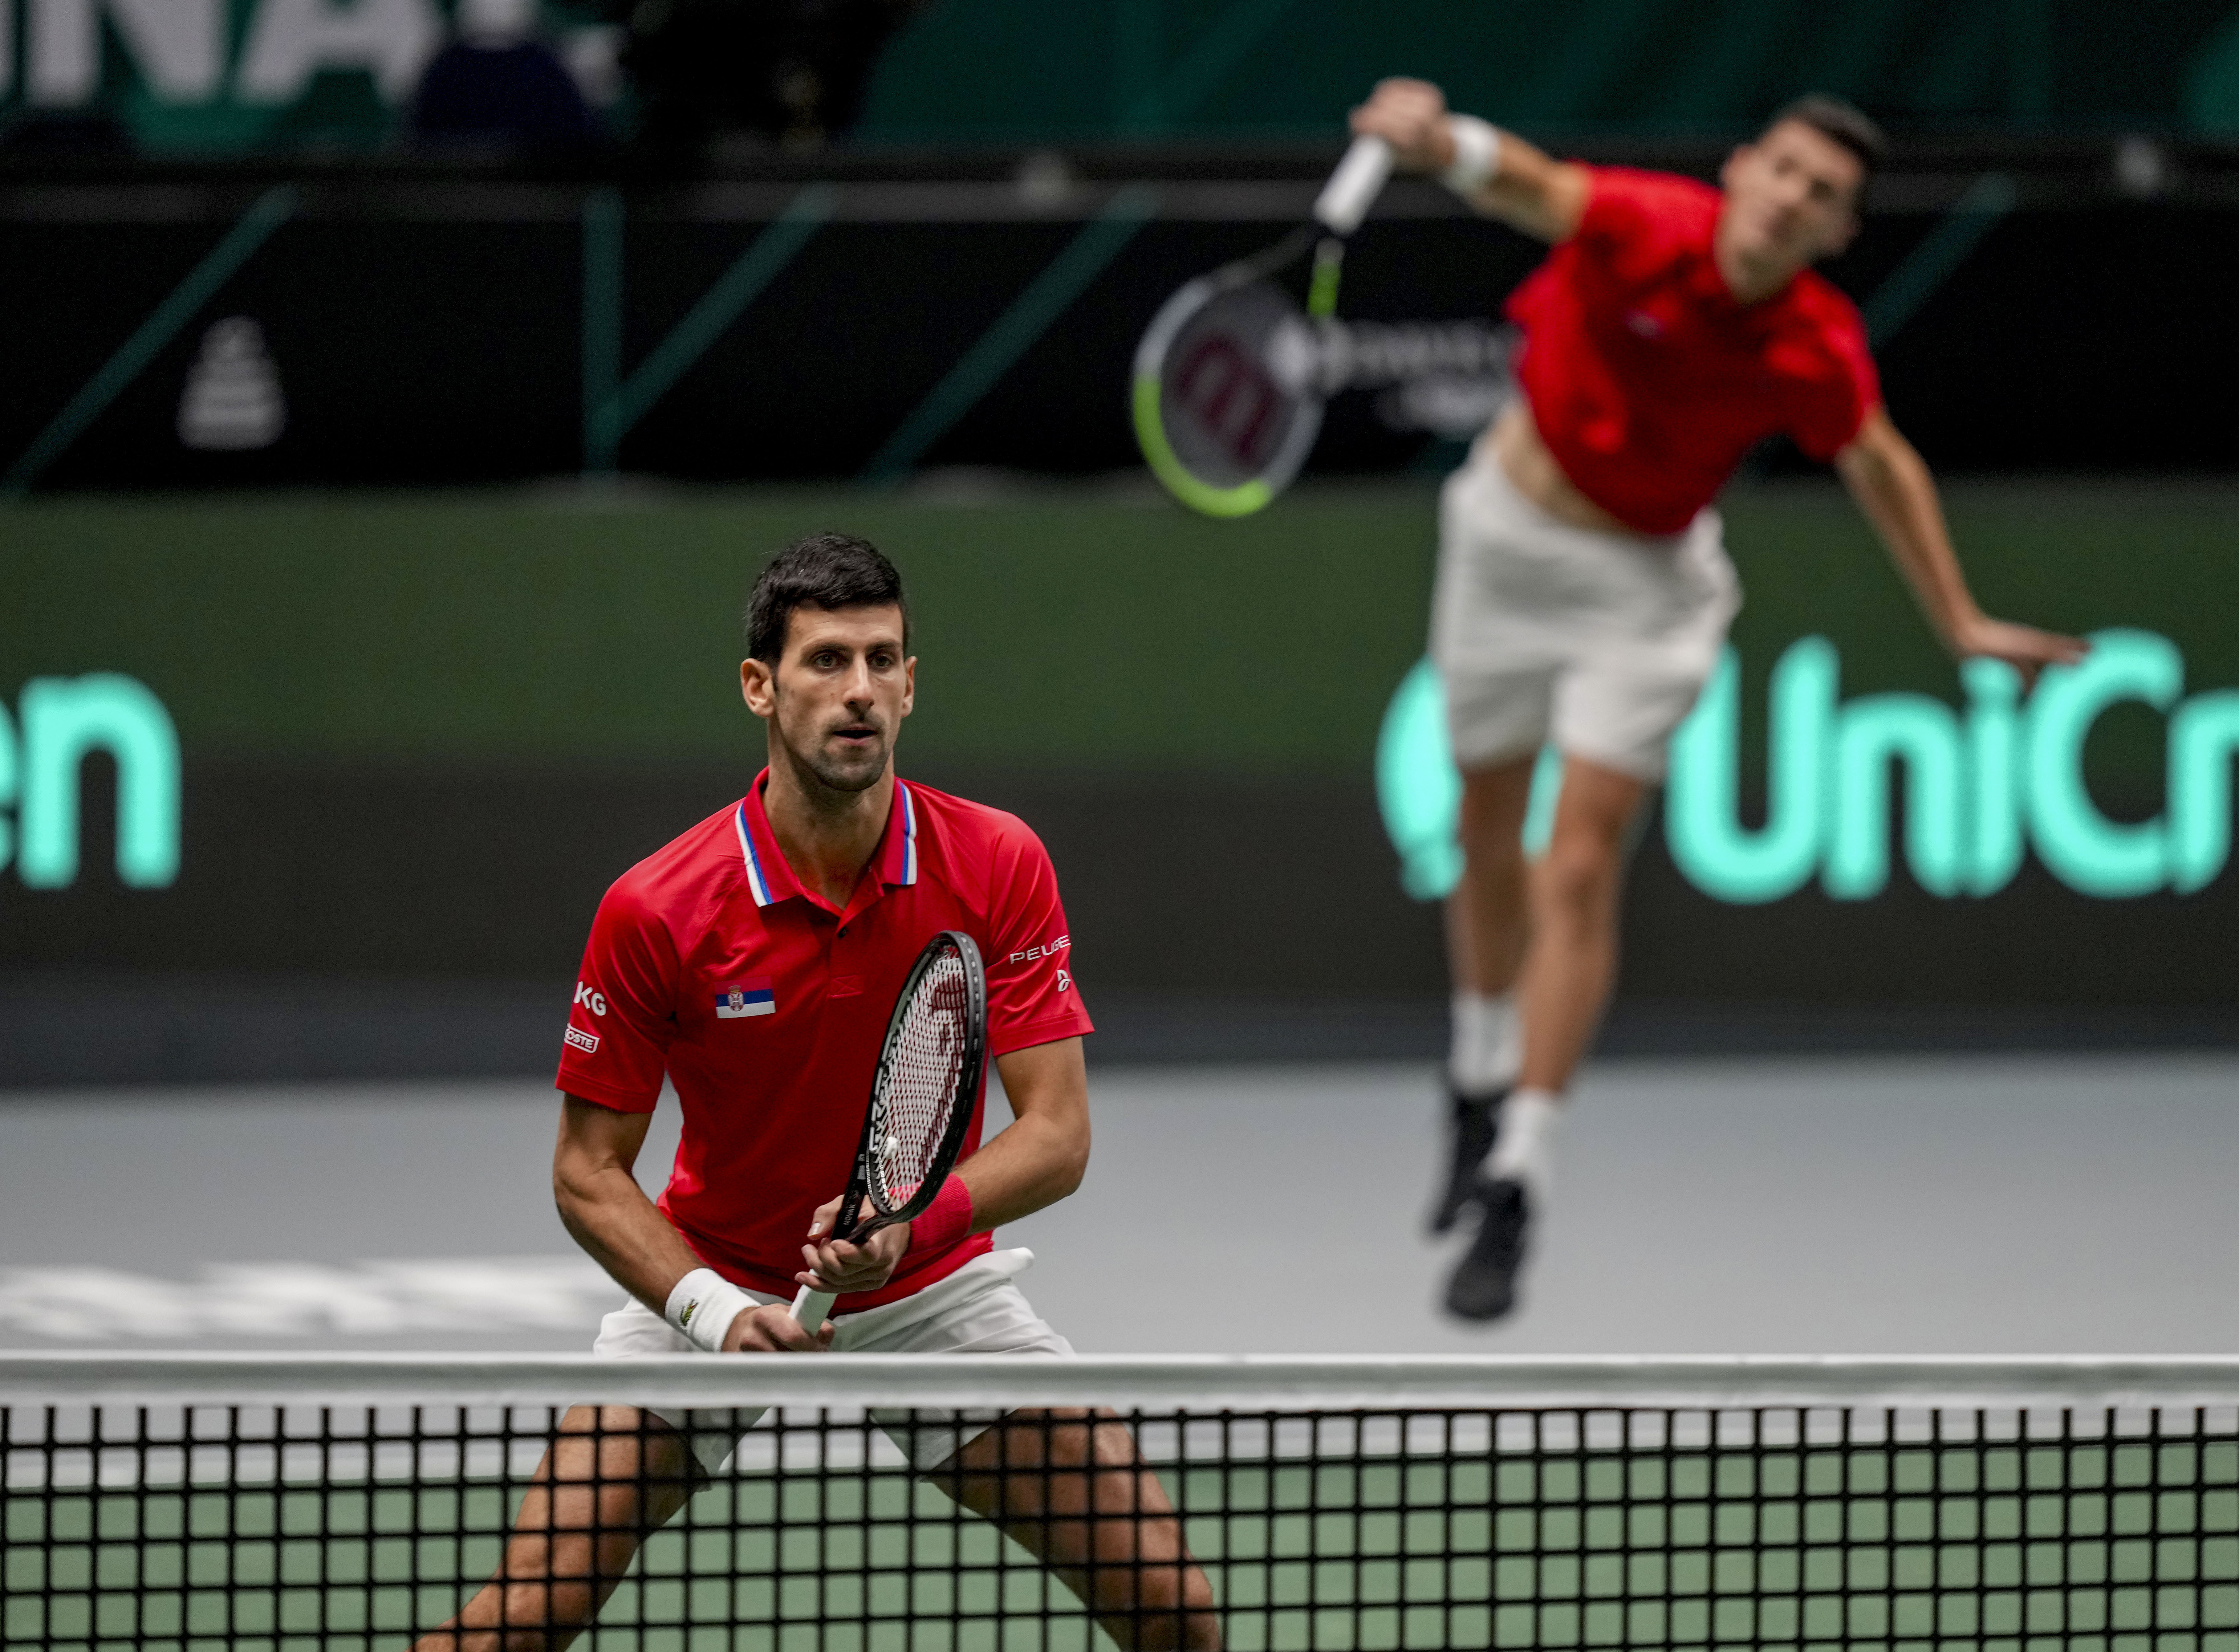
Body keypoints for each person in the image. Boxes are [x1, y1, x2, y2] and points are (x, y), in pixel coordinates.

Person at [1347, 82, 2087, 1323]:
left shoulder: (1812, 343)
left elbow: (1879, 460)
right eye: (1786, 172)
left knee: (1575, 865)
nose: (1794, 200)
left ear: (1834, 234)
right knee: (1486, 837)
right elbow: (1527, 181)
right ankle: (1472, 1076)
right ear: (1744, 171)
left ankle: (1519, 1172)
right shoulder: (1646, 224)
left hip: (1647, 593)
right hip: (1501, 545)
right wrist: (1441, 143)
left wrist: (1956, 619)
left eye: (1825, 198)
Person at [415, 533, 1217, 1652]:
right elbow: (587, 1173)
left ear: (910, 683)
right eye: (826, 661)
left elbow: (1059, 1133)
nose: (859, 692)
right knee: (525, 1614)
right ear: (760, 685)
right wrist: (709, 1309)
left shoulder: (995, 861)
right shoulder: (657, 908)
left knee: (1175, 1608)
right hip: (719, 1278)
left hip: (931, 1291)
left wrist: (906, 1226)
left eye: (882, 661)